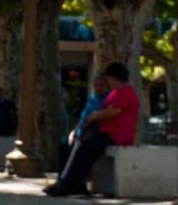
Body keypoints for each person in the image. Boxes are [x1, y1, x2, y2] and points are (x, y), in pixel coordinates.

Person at [43, 62, 139, 196]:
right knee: (71, 145)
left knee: (85, 149)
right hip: (104, 131)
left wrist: (92, 117)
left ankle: (69, 184)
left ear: (112, 78)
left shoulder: (125, 93)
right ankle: (66, 181)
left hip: (115, 134)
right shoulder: (116, 93)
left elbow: (111, 112)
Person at [59, 74, 109, 169]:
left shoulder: (107, 101)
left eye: (101, 85)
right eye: (96, 85)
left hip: (90, 133)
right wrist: (73, 132)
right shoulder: (92, 99)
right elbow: (83, 118)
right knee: (63, 144)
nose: (98, 88)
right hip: (80, 132)